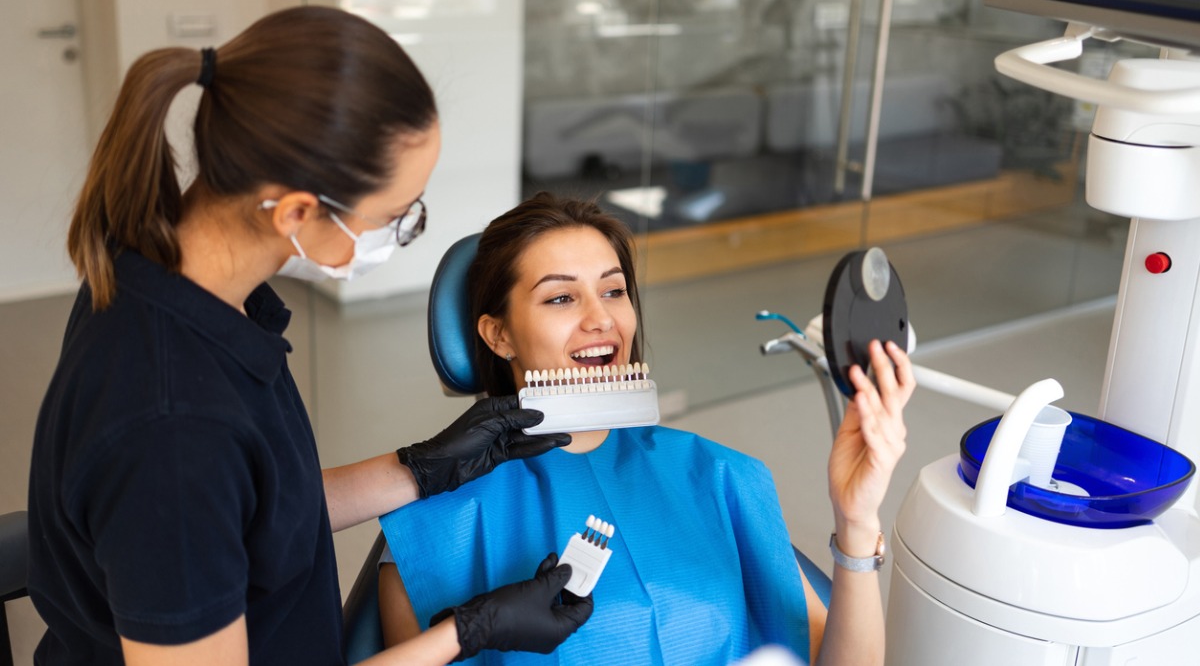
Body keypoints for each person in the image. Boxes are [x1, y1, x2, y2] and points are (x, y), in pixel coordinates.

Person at [26, 7, 592, 666]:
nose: (403, 231)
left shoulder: (167, 275)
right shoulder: (173, 428)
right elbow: (200, 493)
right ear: (295, 211)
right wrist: (466, 633)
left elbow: (249, 516)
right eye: (394, 216)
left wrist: (422, 467)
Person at [377, 192, 915, 665]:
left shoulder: (719, 476)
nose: (601, 319)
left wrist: (856, 519)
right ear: (499, 335)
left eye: (613, 291)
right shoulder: (431, 526)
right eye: (561, 297)